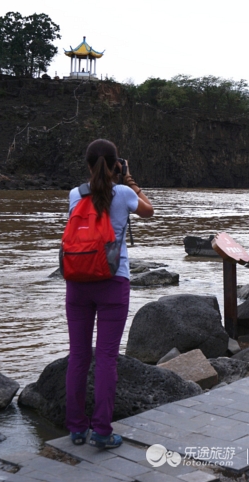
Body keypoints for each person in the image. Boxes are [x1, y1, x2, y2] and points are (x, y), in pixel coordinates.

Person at [65, 139, 153, 449]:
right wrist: (129, 179)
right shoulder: (125, 193)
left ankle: (77, 429)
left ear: (88, 165)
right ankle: (102, 432)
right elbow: (149, 211)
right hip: (113, 281)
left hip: (77, 281)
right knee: (105, 358)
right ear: (116, 164)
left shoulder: (75, 194)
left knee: (78, 356)